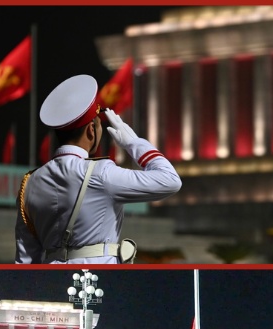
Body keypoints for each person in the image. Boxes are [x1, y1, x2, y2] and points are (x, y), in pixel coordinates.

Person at [15, 74, 181, 263]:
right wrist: (134, 144)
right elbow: (170, 180)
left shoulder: (29, 183)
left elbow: (25, 258)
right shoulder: (101, 173)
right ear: (91, 130)